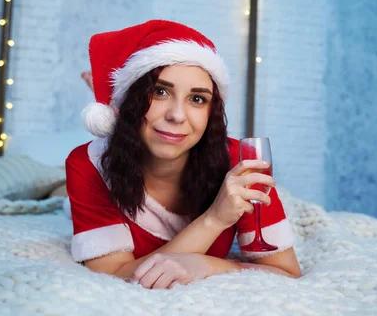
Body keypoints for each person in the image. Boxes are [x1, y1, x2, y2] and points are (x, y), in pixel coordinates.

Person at [66, 20, 301, 289]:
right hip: (116, 163)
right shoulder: (89, 165)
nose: (177, 116)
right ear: (129, 100)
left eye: (197, 99)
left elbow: (286, 273)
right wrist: (215, 218)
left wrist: (208, 265)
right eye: (159, 91)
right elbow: (114, 276)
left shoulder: (241, 163)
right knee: (61, 199)